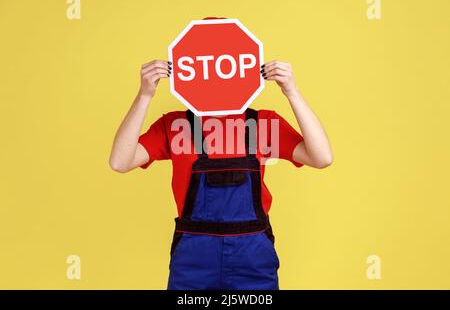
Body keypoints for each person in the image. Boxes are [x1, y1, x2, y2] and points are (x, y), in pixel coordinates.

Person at [109, 24, 333, 291]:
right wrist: (144, 95)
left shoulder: (261, 123)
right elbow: (119, 162)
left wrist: (292, 92)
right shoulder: (175, 125)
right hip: (193, 263)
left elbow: (322, 158)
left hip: (253, 260)